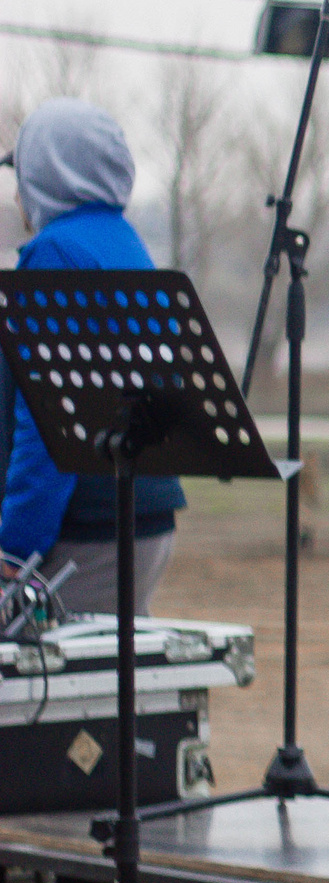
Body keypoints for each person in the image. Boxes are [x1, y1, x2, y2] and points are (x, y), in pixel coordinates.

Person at [0, 98, 188, 614]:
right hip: (145, 514)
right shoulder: (124, 243)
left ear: (49, 175)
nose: (17, 193)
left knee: (60, 689)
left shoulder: (54, 254)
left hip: (87, 529)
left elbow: (51, 421)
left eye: (24, 174)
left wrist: (16, 546)